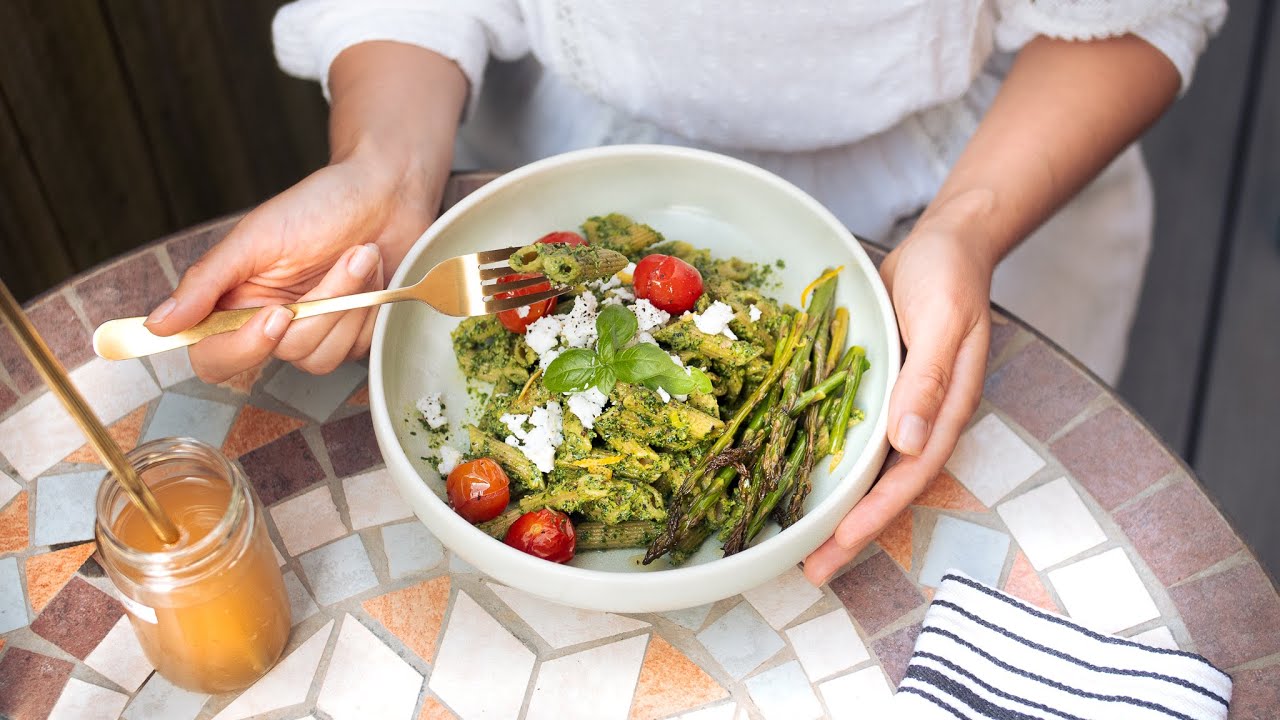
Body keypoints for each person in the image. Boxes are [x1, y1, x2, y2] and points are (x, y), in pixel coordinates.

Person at [143, 1, 1225, 585]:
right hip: (555, 149)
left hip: (977, 184)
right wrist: (384, 167)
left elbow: (1141, 11)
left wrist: (967, 225)